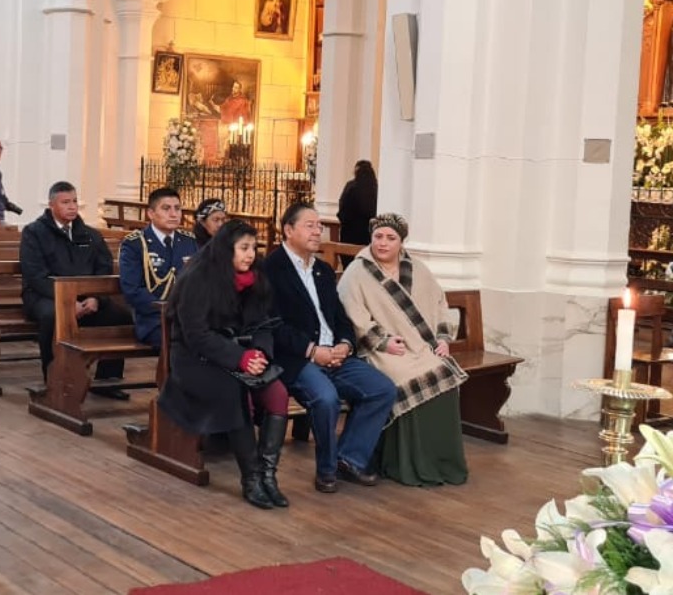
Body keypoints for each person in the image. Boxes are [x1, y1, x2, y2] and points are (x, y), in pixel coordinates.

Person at [262, 203, 396, 494]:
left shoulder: (323, 270)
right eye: (309, 225)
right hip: (299, 359)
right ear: (288, 230)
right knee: (326, 399)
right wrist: (312, 351)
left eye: (318, 225)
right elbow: (272, 325)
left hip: (334, 354)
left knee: (382, 389)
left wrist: (345, 344)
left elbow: (339, 317)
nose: (317, 230)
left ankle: (348, 458)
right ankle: (327, 470)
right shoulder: (270, 270)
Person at [158, 220, 291, 509]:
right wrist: (239, 358)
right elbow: (196, 335)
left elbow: (264, 325)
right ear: (225, 249)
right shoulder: (199, 278)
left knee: (278, 393)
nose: (250, 255)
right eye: (243, 248)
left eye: (253, 248)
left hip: (243, 354)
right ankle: (251, 479)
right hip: (197, 359)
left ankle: (269, 476)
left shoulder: (256, 279)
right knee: (233, 391)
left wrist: (258, 353)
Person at [337, 213, 469, 486]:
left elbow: (439, 304)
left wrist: (443, 338)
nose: (383, 243)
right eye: (378, 237)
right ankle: (405, 463)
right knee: (404, 378)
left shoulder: (417, 268)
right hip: (382, 350)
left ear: (401, 242)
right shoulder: (357, 272)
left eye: (390, 238)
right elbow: (353, 315)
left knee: (444, 371)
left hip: (421, 345)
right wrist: (382, 341)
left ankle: (440, 461)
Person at [20, 181, 133, 399]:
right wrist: (67, 302)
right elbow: (35, 275)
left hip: (86, 296)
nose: (72, 207)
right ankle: (55, 380)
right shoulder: (34, 233)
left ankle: (107, 381)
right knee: (53, 316)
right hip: (45, 296)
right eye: (65, 202)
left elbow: (103, 267)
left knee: (120, 316)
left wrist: (95, 296)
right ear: (52, 205)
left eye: (74, 201)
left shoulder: (90, 234)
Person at [118, 187, 197, 348]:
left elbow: (202, 282)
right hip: (154, 320)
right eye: (166, 208)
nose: (174, 214)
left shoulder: (190, 242)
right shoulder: (135, 244)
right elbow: (132, 290)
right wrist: (168, 309)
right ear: (151, 213)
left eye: (177, 208)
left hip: (188, 318)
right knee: (184, 342)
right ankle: (175, 374)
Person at [337, 160, 378, 246]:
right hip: (368, 233)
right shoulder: (376, 188)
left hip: (349, 232)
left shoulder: (351, 186)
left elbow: (343, 207)